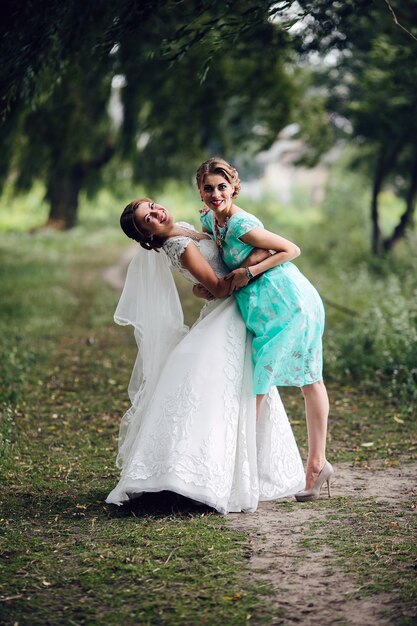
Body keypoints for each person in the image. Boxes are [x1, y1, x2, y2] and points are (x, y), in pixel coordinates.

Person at [105, 198, 305, 514]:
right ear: (147, 236)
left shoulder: (184, 227)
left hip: (238, 310)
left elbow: (212, 267)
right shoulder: (177, 244)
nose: (157, 213)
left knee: (238, 388)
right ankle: (192, 475)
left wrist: (215, 233)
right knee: (226, 391)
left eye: (153, 206)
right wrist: (249, 266)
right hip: (228, 310)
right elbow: (219, 287)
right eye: (149, 219)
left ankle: (230, 468)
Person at [195, 158, 333, 502]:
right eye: (208, 188)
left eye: (222, 187)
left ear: (233, 188)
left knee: (287, 381)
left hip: (290, 304)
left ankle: (302, 466)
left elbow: (291, 249)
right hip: (265, 311)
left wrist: (249, 272)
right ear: (200, 190)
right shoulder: (211, 221)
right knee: (270, 382)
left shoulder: (241, 223)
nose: (215, 194)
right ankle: (250, 471)